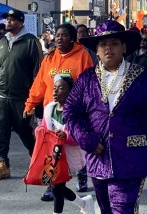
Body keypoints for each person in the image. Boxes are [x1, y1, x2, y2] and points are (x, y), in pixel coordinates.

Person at [64, 20, 147, 214]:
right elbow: (70, 112)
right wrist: (86, 138)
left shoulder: (140, 77)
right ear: (96, 49)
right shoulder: (86, 79)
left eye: (114, 43)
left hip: (131, 157)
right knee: (106, 210)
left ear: (124, 47)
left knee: (122, 209)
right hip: (98, 156)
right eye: (103, 44)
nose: (108, 49)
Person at [25, 23, 96, 197]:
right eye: (57, 35)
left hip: (74, 111)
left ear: (72, 38)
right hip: (52, 111)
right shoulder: (49, 58)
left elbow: (89, 84)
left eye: (64, 35)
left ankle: (81, 175)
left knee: (75, 146)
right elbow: (40, 84)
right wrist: (30, 104)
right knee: (53, 150)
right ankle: (51, 184)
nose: (59, 38)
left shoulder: (83, 56)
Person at [0, 9, 42, 182]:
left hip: (22, 97)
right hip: (1, 95)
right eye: (7, 19)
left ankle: (39, 162)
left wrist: (34, 99)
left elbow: (38, 71)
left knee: (25, 131)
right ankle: (2, 164)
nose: (8, 22)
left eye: (12, 20)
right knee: (0, 130)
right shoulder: (1, 41)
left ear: (21, 22)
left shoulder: (31, 42)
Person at [29, 74, 96, 214]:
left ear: (70, 91)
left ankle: (81, 204)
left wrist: (66, 136)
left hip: (68, 154)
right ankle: (84, 203)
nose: (55, 91)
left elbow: (79, 135)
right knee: (57, 187)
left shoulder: (75, 111)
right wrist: (40, 131)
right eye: (55, 88)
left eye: (60, 88)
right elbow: (43, 127)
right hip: (53, 155)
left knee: (56, 187)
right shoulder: (49, 109)